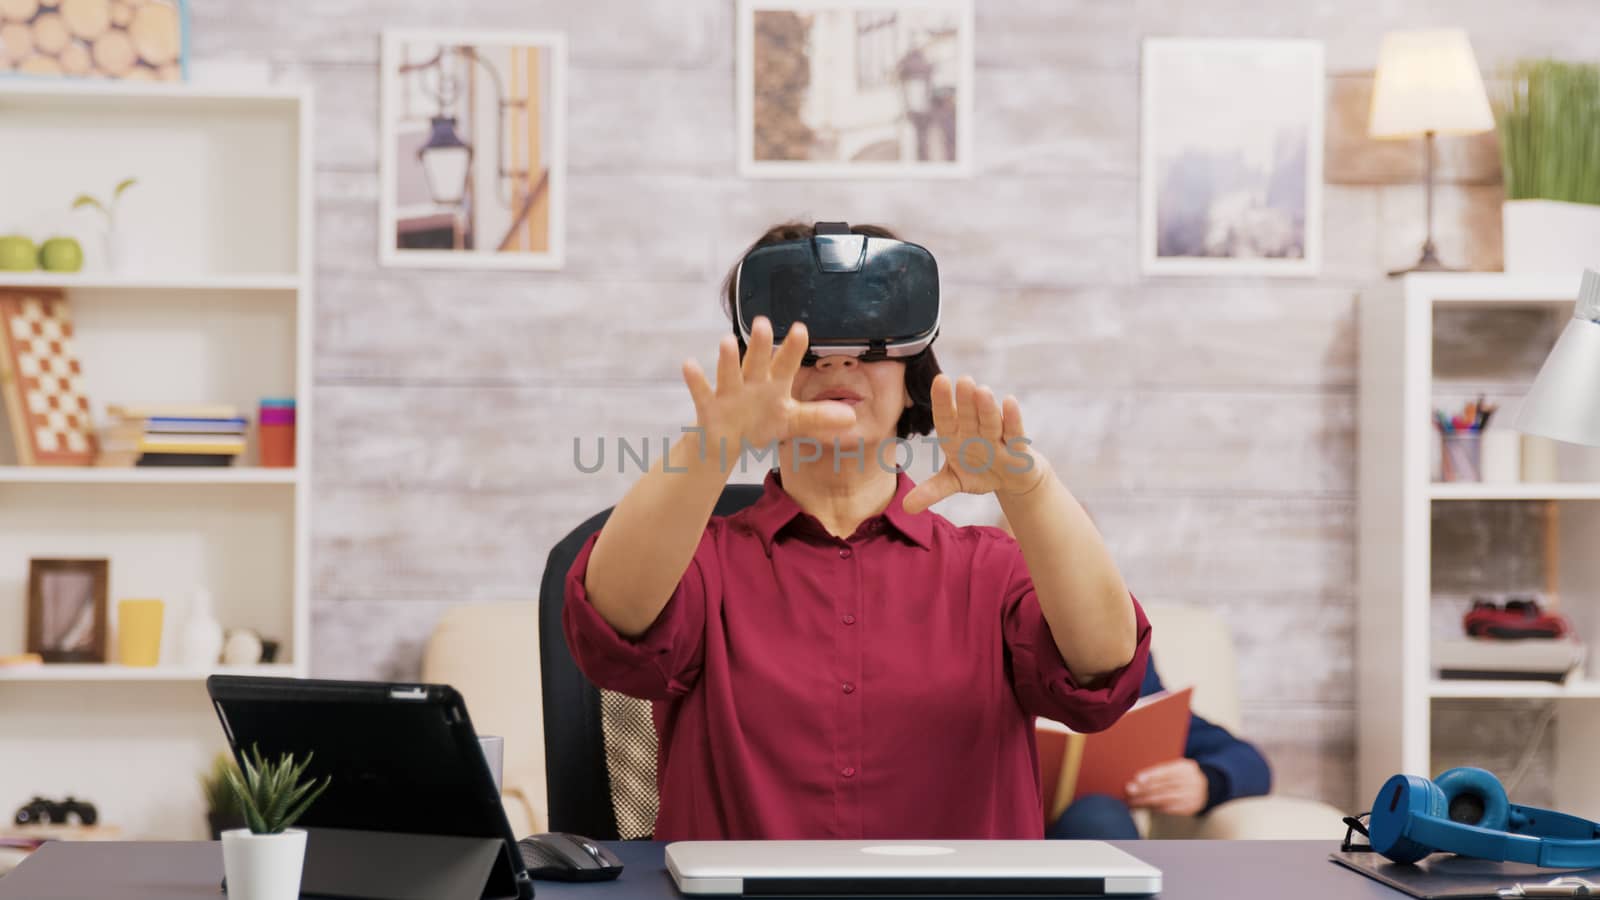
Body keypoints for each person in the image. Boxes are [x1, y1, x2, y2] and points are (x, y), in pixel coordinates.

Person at [562, 222, 1152, 841]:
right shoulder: (702, 564)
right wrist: (713, 444)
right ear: (759, 370)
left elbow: (1103, 667)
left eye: (869, 341)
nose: (840, 359)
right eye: (807, 342)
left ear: (911, 380)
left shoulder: (992, 572)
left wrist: (1027, 488)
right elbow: (610, 627)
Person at [1045, 653, 1273, 839]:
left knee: (1098, 817)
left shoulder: (1119, 657)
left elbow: (1249, 762)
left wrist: (1207, 781)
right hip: (1013, 833)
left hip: (1080, 834)